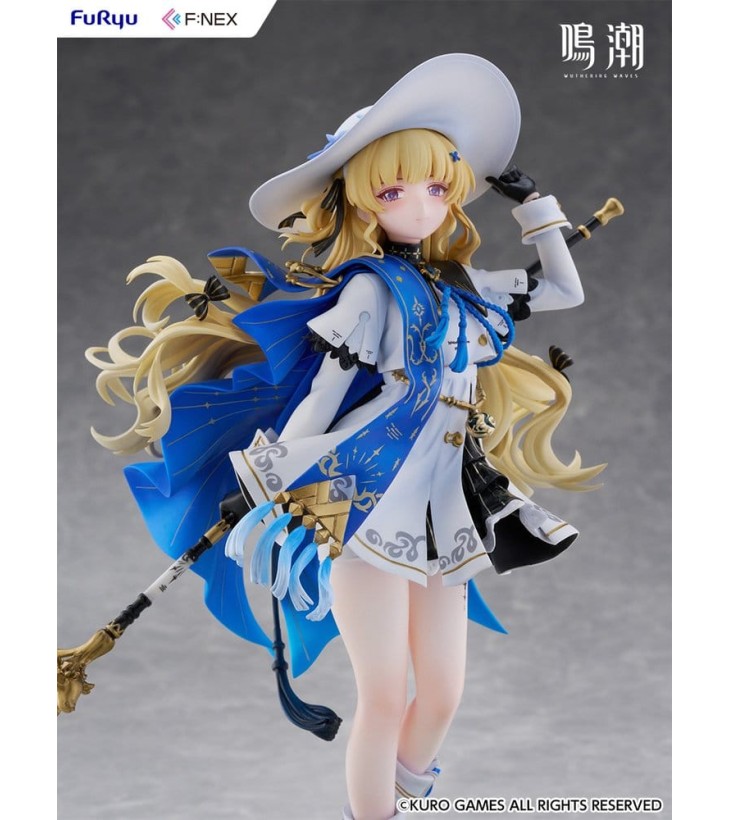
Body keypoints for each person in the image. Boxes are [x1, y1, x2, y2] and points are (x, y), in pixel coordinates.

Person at [88, 54, 603, 820]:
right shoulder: (369, 288)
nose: (420, 205)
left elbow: (562, 289)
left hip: (447, 501)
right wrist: (268, 479)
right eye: (394, 191)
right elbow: (324, 397)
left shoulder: (462, 287)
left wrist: (536, 206)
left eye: (437, 187)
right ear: (364, 202)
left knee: (444, 692)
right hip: (362, 492)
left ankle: (405, 804)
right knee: (385, 695)